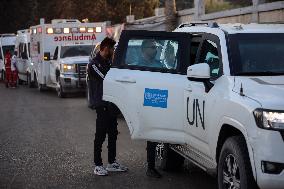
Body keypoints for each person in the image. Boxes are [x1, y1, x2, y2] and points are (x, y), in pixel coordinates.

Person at [88, 37, 128, 176]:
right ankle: (98, 165)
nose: (113, 51)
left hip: (111, 103)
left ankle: (111, 162)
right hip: (101, 104)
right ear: (105, 48)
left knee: (113, 134)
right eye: (112, 49)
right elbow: (107, 79)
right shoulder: (94, 64)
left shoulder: (109, 62)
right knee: (100, 135)